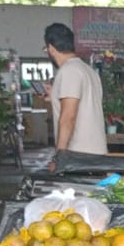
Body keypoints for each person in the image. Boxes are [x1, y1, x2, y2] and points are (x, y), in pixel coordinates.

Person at [44, 23, 107, 155]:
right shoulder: (88, 71)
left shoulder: (69, 71)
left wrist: (60, 156)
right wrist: (55, 95)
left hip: (79, 155)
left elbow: (68, 117)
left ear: (51, 48)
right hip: (96, 151)